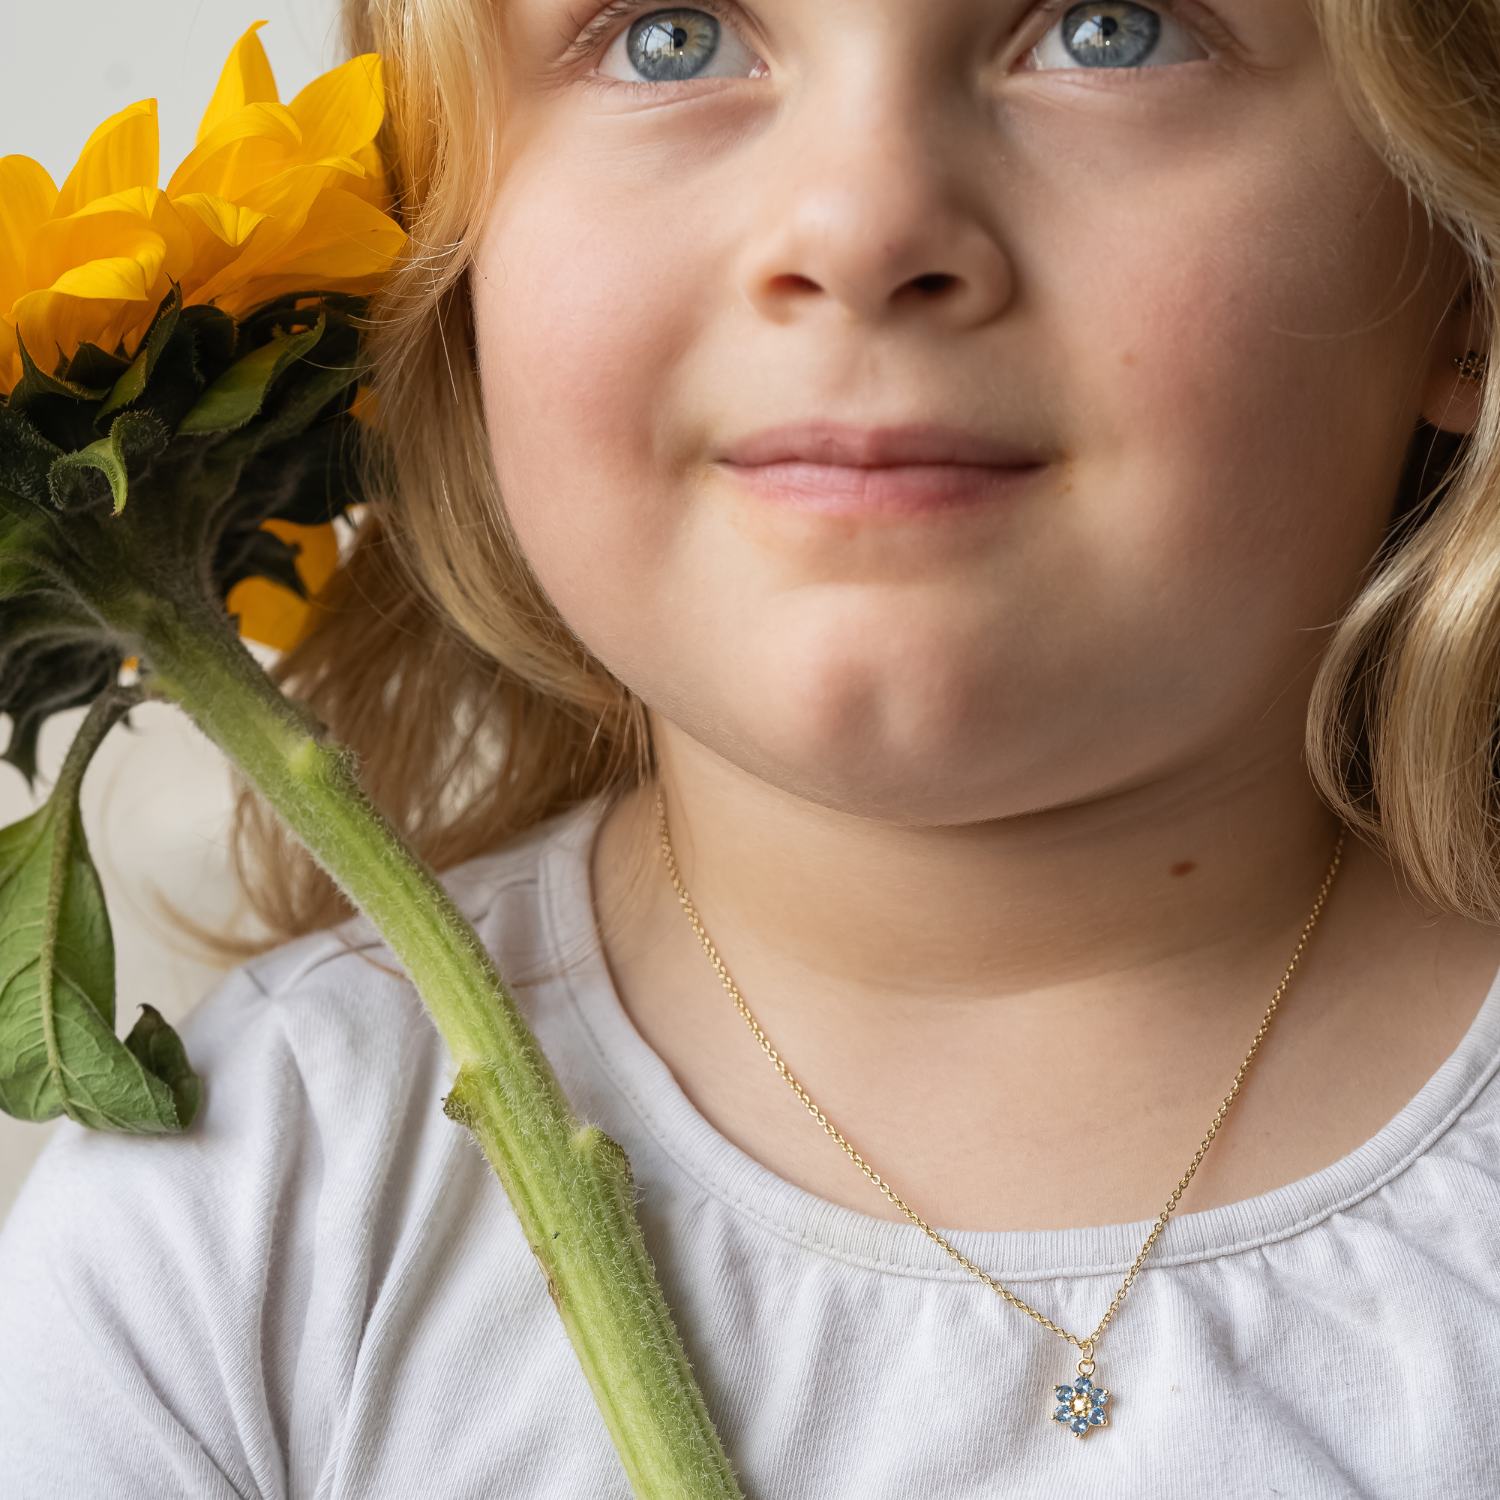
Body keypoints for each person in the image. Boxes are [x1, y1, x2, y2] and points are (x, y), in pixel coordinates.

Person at [4, 0, 1500, 1494]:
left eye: (1111, 29)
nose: (860, 224)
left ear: (1464, 267)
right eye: (671, 37)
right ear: (444, 263)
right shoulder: (237, 1235)